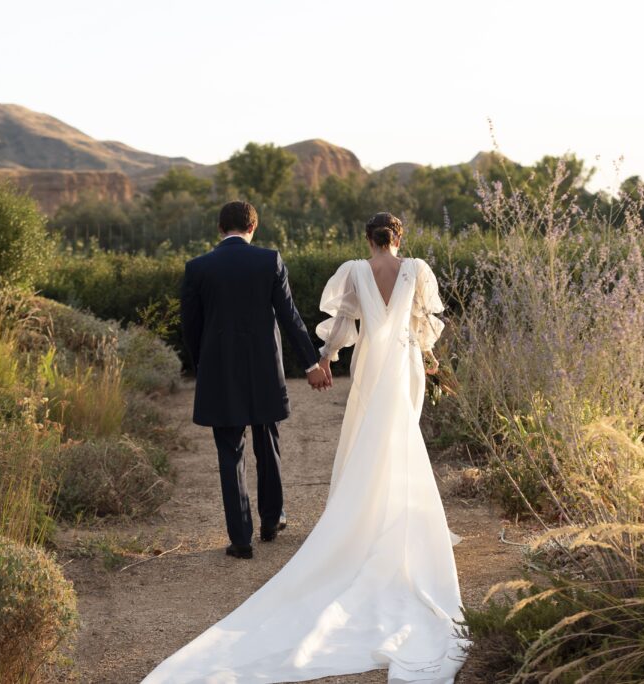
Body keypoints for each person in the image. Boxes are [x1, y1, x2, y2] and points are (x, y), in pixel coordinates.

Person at [147, 211, 467, 683]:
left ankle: (248, 537)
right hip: (400, 368)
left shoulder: (350, 270)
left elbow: (337, 323)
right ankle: (319, 520)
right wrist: (430, 360)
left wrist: (324, 358)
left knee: (248, 452)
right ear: (399, 237)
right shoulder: (416, 270)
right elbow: (418, 322)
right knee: (394, 439)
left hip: (361, 365)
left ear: (367, 238)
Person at [180, 200, 331, 561]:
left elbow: (190, 327)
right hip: (265, 368)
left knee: (230, 453)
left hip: (220, 372)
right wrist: (310, 364)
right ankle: (271, 520)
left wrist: (204, 368)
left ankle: (241, 537)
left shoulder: (198, 267)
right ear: (253, 228)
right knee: (268, 443)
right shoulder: (269, 261)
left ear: (220, 229)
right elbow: (290, 316)